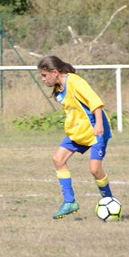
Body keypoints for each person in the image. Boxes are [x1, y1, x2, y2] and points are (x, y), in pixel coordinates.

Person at [37, 55, 115, 219]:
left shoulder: (75, 82)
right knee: (58, 159)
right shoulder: (59, 87)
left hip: (94, 129)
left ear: (55, 72)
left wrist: (99, 125)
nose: (42, 79)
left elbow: (95, 103)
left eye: (44, 75)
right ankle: (69, 202)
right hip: (78, 131)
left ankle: (109, 201)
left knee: (95, 170)